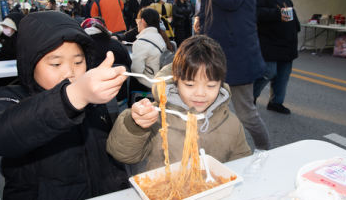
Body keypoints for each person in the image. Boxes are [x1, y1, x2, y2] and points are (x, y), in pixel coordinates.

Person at [0, 11, 129, 200]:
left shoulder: (92, 102)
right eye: (56, 64)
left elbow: (112, 158)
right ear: (30, 63)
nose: (70, 72)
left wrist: (133, 125)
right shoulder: (12, 99)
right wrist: (71, 98)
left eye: (78, 62)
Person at [107, 35, 251, 174]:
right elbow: (123, 155)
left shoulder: (230, 123)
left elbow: (241, 162)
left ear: (221, 84)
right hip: (163, 192)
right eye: (190, 84)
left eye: (211, 85)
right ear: (176, 80)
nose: (200, 93)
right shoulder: (156, 116)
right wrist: (135, 124)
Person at [197, 0, 270, 150]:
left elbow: (231, 0)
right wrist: (200, 38)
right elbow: (205, 13)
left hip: (238, 56)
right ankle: (212, 155)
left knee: (247, 114)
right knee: (209, 111)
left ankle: (264, 150)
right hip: (213, 53)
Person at [253, 0, 300, 114]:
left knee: (283, 75)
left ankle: (276, 103)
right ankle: (249, 98)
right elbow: (255, 13)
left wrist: (296, 26)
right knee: (269, 71)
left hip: (288, 41)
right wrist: (277, 14)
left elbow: (290, 10)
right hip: (269, 40)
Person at [82, 17, 131, 108]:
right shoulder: (118, 45)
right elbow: (129, 66)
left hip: (93, 102)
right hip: (120, 98)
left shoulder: (81, 50)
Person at [131, 8, 172, 90]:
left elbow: (136, 71)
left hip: (151, 84)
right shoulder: (160, 37)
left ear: (142, 21)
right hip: (162, 81)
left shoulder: (141, 42)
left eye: (137, 20)